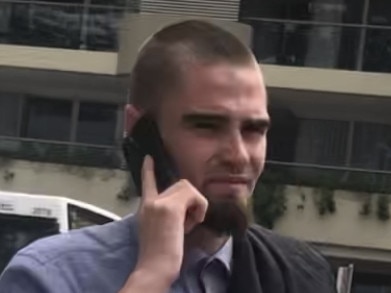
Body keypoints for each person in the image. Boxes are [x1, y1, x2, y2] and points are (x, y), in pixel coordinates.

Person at [0, 20, 336, 293]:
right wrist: (151, 275)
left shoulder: (301, 273)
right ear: (140, 131)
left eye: (254, 130)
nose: (238, 156)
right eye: (207, 126)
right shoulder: (51, 278)